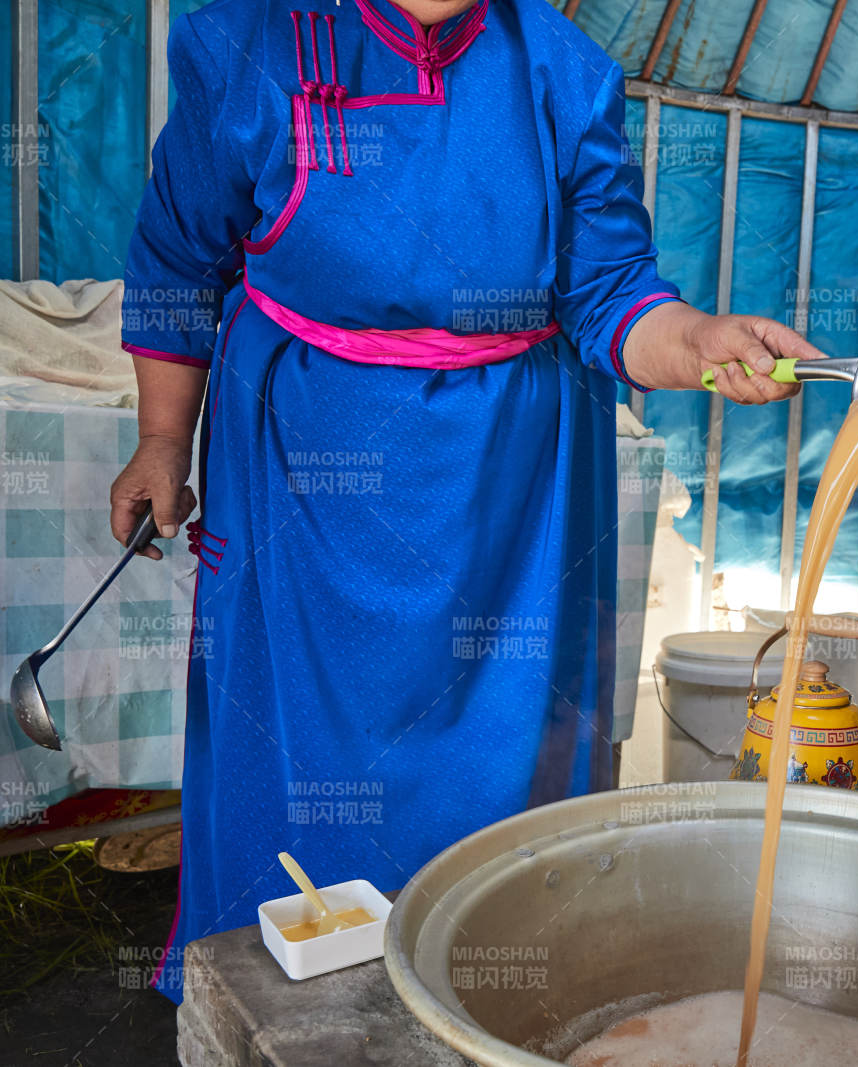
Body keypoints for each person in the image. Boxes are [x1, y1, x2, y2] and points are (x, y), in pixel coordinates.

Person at [108, 0, 811, 1001]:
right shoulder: (249, 39)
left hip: (511, 501)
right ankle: (271, 1008)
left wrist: (695, 341)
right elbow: (180, 254)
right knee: (298, 759)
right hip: (306, 468)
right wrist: (164, 440)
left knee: (501, 775)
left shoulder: (564, 74)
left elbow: (610, 291)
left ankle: (491, 1000)